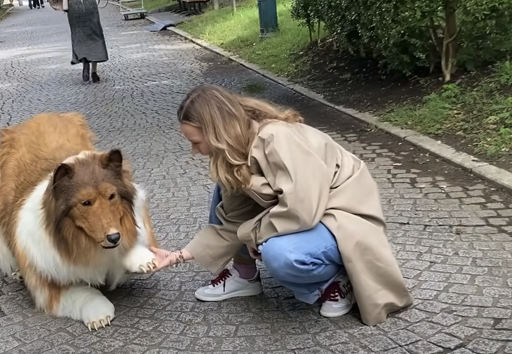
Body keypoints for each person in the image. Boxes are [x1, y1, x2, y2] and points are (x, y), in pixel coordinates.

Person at [149, 84, 414, 326]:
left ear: (217, 132)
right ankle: (244, 275)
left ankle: (336, 279)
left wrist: (254, 233)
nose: (194, 151)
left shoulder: (277, 138)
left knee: (280, 254)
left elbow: (301, 210)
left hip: (343, 217)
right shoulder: (233, 154)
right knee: (225, 187)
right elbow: (233, 220)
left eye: (196, 142)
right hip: (310, 214)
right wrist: (177, 256)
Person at [50, 0, 108, 82]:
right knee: (95, 35)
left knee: (78, 35)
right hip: (89, 4)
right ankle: (94, 71)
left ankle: (85, 60)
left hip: (73, 6)